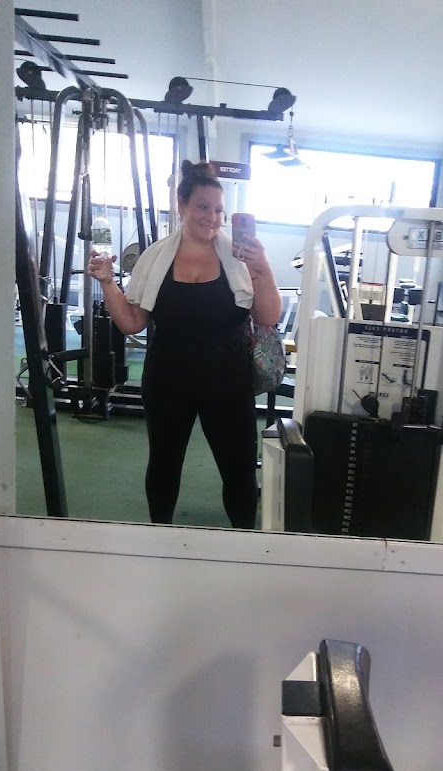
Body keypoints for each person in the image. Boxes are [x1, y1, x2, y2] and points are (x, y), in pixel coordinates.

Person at [87, 160, 281, 529]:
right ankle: (160, 536)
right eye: (203, 207)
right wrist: (108, 282)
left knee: (238, 470)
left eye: (219, 210)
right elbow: (132, 322)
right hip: (167, 384)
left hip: (228, 384)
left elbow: (268, 317)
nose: (213, 217)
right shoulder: (155, 258)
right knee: (164, 465)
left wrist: (263, 268)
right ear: (182, 206)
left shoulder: (240, 258)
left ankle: (244, 542)